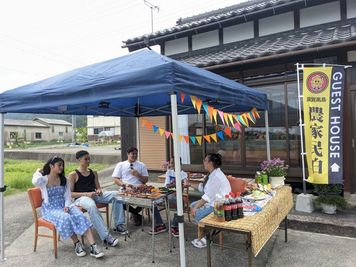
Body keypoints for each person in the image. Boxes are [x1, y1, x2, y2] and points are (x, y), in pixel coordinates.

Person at [32, 156, 104, 258]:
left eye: (62, 165)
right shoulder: (43, 180)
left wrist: (66, 206)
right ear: (51, 166)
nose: (61, 167)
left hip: (64, 205)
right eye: (59, 165)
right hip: (50, 208)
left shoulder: (64, 179)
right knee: (66, 217)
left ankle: (93, 246)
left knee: (80, 215)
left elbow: (67, 196)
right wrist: (39, 171)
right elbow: (35, 181)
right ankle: (77, 243)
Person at [68, 150, 126, 248]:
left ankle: (119, 225)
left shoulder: (93, 173)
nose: (88, 161)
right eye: (85, 159)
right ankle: (106, 237)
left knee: (117, 194)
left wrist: (99, 190)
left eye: (89, 158)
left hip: (94, 196)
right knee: (91, 205)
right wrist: (87, 194)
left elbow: (98, 187)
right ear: (79, 160)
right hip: (81, 199)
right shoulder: (73, 174)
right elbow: (70, 194)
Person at [112, 146, 167, 234]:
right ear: (128, 154)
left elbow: (145, 180)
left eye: (135, 154)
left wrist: (138, 175)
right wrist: (124, 185)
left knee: (152, 201)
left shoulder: (141, 165)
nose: (134, 155)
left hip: (140, 189)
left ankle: (159, 223)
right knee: (117, 200)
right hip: (125, 189)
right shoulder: (121, 165)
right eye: (132, 154)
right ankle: (121, 223)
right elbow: (115, 179)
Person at [189, 153, 231, 249]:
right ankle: (209, 231)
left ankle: (207, 237)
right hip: (213, 202)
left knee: (197, 212)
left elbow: (207, 196)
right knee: (192, 205)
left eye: (205, 160)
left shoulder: (217, 177)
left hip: (221, 206)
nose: (203, 162)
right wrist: (189, 184)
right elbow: (204, 188)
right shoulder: (212, 174)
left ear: (210, 163)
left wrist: (196, 208)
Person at [164, 157, 188, 237]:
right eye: (172, 162)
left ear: (180, 163)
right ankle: (159, 224)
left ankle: (174, 226)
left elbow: (184, 185)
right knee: (152, 202)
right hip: (168, 194)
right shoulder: (169, 172)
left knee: (180, 202)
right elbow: (167, 186)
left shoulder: (183, 174)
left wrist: (179, 184)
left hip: (177, 195)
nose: (173, 164)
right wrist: (177, 184)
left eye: (175, 162)